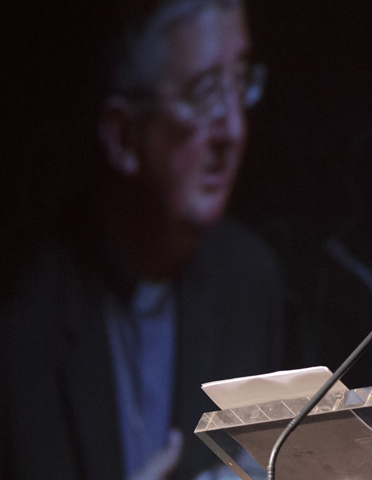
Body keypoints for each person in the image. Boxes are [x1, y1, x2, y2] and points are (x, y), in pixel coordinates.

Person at [1, 1, 283, 479]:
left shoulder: (247, 282)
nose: (233, 130)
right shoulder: (24, 315)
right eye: (203, 94)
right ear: (122, 135)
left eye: (239, 83)